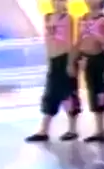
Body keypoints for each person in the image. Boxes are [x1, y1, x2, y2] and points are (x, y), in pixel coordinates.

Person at [25, 0, 81, 142]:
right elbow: (48, 41)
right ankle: (44, 130)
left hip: (65, 58)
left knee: (68, 94)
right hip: (53, 60)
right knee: (51, 94)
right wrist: (49, 60)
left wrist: (70, 63)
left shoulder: (68, 18)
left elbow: (71, 43)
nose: (57, 3)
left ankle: (70, 129)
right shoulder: (47, 17)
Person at [72, 0, 104, 142]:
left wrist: (100, 39)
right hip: (86, 59)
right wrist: (74, 60)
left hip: (101, 58)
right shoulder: (82, 18)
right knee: (93, 92)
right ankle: (98, 129)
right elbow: (79, 40)